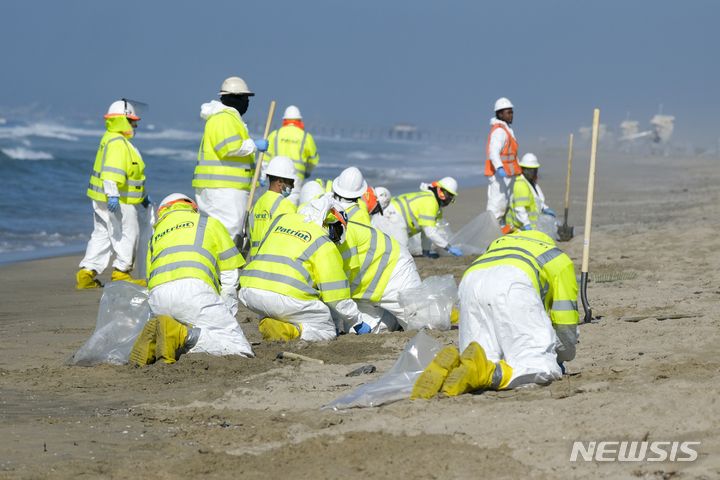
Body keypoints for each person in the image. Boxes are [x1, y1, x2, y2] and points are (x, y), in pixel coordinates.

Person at [411, 231, 578, 399]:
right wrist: (560, 356)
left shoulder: (500, 243)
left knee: (477, 361)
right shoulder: (558, 258)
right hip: (514, 284)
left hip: (471, 280)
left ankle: (447, 374)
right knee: (539, 368)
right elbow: (565, 321)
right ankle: (487, 373)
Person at [129, 194, 253, 365]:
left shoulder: (155, 237)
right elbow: (229, 275)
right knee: (238, 348)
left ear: (163, 213)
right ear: (192, 208)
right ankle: (182, 334)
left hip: (159, 298)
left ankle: (158, 340)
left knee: (176, 335)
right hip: (195, 291)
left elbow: (151, 282)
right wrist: (227, 313)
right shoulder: (209, 224)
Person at [238, 195, 372, 341]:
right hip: (283, 298)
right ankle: (292, 332)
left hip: (249, 292)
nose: (335, 238)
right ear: (328, 223)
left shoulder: (280, 220)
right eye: (337, 231)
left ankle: (272, 322)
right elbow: (337, 298)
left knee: (281, 305)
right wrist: (357, 322)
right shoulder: (323, 243)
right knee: (327, 330)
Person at [76, 100, 150, 289]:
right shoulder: (118, 143)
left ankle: (86, 273)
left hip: (102, 199)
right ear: (124, 120)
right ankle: (121, 273)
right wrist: (113, 196)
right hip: (119, 201)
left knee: (102, 235)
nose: (135, 125)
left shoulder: (109, 138)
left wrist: (142, 196)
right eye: (132, 121)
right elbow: (112, 172)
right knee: (128, 233)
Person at [192, 77, 269, 243]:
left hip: (219, 190)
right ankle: (226, 270)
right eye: (245, 98)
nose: (247, 102)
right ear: (234, 98)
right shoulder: (225, 118)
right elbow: (230, 147)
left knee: (214, 238)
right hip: (224, 191)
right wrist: (254, 146)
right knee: (228, 240)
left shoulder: (225, 117)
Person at [378, 178, 463, 258]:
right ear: (440, 192)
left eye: (452, 196)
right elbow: (430, 233)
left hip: (388, 213)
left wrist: (426, 252)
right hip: (390, 215)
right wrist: (449, 248)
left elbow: (426, 231)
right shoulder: (430, 203)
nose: (450, 199)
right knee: (401, 253)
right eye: (449, 195)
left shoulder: (431, 201)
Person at [260, 105, 319, 206]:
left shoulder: (275, 134)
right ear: (299, 120)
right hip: (295, 177)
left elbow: (265, 158)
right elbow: (313, 160)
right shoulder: (306, 137)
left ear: (285, 120)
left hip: (275, 177)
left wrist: (263, 176)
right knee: (291, 205)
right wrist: (308, 172)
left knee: (274, 204)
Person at [248, 156, 297, 259]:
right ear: (280, 181)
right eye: (290, 182)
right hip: (273, 260)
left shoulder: (258, 204)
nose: (293, 186)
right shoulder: (286, 205)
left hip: (254, 261)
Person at [485, 97, 520, 230]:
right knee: (496, 207)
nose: (511, 115)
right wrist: (499, 167)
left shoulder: (507, 130)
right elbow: (493, 152)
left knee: (504, 206)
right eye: (508, 112)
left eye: (512, 112)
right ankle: (489, 235)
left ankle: (500, 232)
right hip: (499, 175)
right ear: (500, 114)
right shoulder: (499, 131)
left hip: (507, 175)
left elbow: (512, 155)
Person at [506, 153, 556, 232]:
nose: (531, 172)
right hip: (518, 227)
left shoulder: (532, 183)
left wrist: (545, 208)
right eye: (528, 169)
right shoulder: (520, 184)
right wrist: (526, 224)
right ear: (522, 169)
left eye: (534, 169)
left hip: (531, 227)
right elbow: (519, 208)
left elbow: (536, 200)